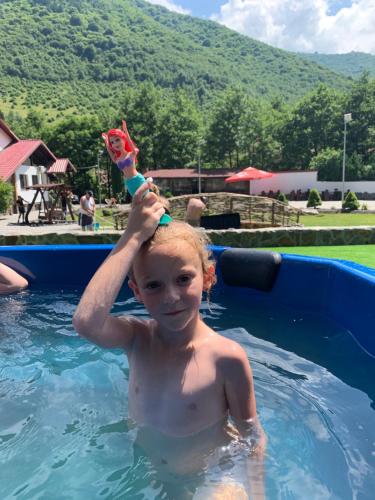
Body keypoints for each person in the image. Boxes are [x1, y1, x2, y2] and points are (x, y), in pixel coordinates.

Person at [73, 182, 265, 497]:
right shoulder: (137, 338)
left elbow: (251, 435)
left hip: (214, 475)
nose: (171, 297)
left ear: (208, 277)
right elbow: (86, 322)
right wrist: (132, 235)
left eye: (183, 279)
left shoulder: (226, 357)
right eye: (153, 286)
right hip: (151, 473)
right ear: (136, 291)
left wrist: (257, 492)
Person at [102, 120, 172, 226]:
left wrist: (125, 130)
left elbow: (130, 143)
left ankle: (161, 216)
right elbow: (110, 151)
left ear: (123, 139)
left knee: (147, 199)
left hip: (138, 180)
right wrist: (107, 142)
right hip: (129, 183)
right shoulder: (117, 158)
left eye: (117, 140)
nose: (115, 143)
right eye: (113, 142)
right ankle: (149, 221)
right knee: (139, 204)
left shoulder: (131, 154)